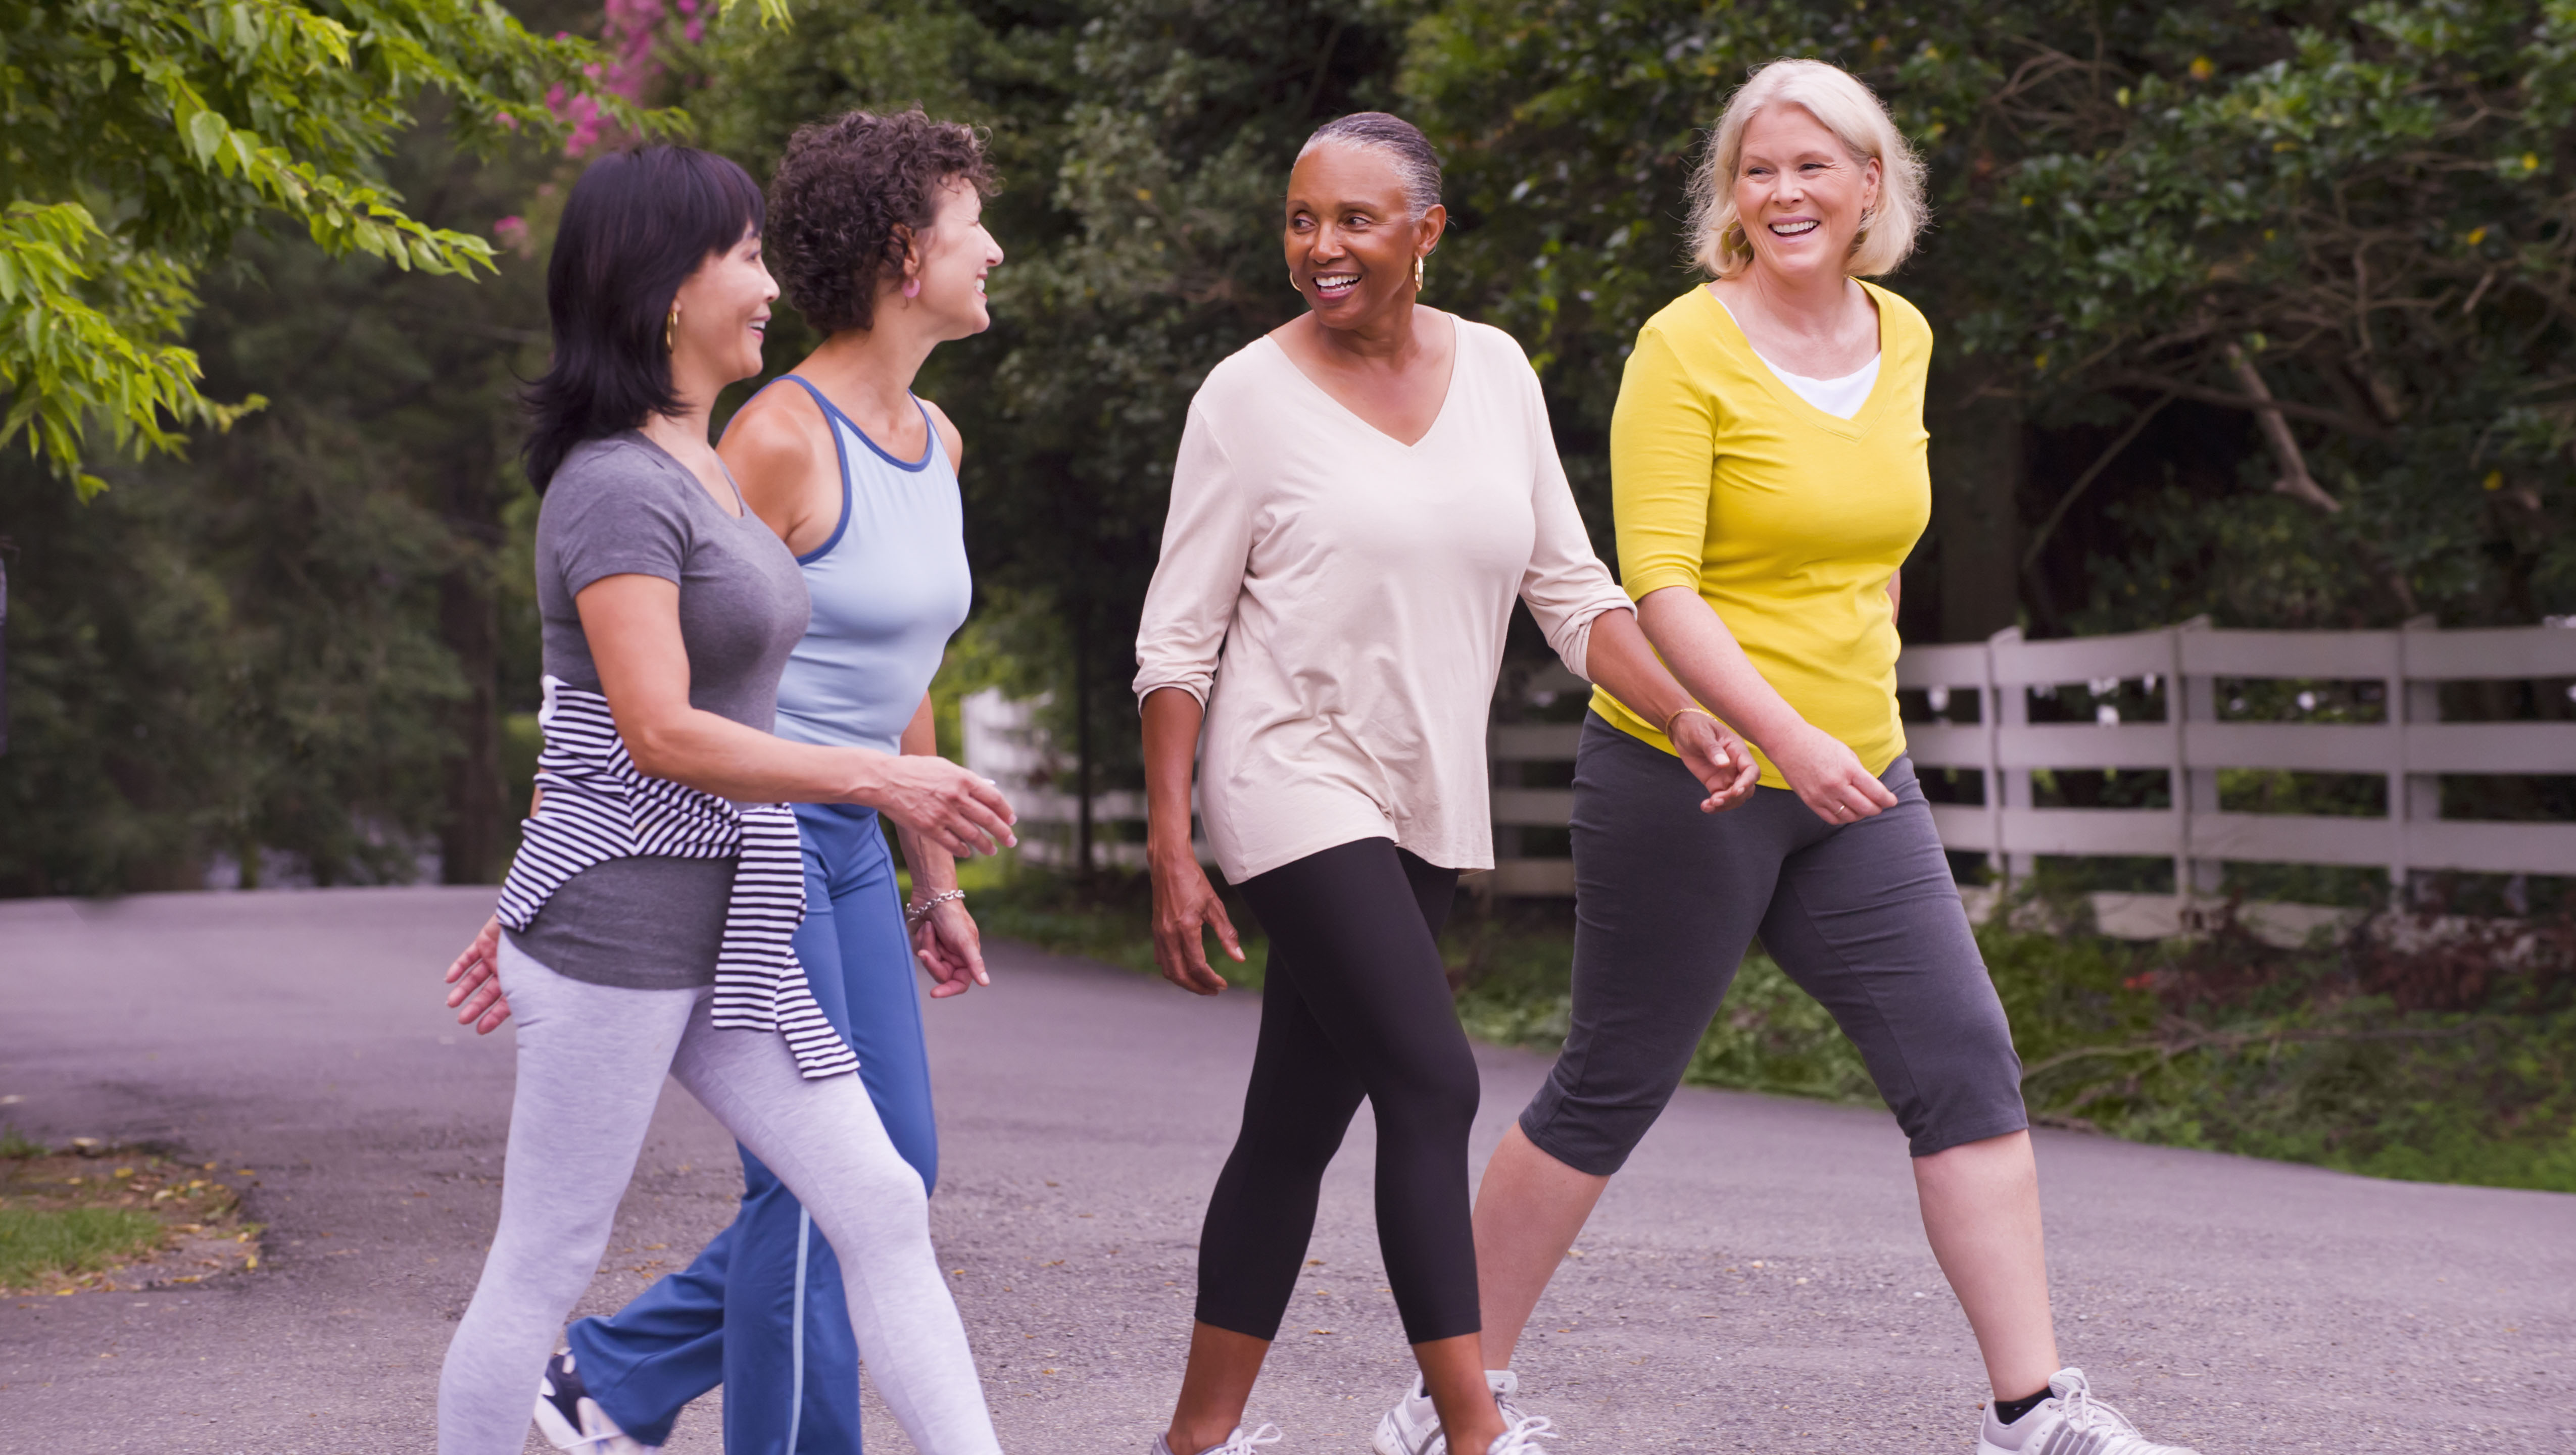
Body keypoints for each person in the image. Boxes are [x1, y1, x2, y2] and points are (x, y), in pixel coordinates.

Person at [1375, 60, 2200, 1455]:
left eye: (1815, 165)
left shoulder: (1906, 336)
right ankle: (1448, 1399)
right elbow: (1661, 586)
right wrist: (1784, 731)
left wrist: (1846, 680)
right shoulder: (1681, 347)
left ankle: (2033, 1413)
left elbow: (1871, 540)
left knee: (1965, 1066)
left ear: (1871, 183)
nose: (1786, 193)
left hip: (1857, 779)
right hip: (1689, 775)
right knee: (1611, 1078)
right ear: (1729, 199)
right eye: (1758, 171)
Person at [1131, 112, 1760, 1455]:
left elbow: (1571, 591)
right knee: (1430, 1082)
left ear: (1426, 231)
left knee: (1291, 1121)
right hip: (1283, 771)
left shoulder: (1495, 372)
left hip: (1418, 792)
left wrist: (1684, 713)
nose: (1321, 247)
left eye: (1355, 220)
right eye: (1301, 219)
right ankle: (1472, 1428)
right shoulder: (1244, 395)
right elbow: (1177, 642)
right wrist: (1172, 840)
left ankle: (1195, 1438)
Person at [432, 143, 1016, 1455]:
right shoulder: (609, 487)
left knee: (876, 1195)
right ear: (661, 290)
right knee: (544, 1254)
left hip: (734, 926)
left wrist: (907, 832)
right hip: (622, 930)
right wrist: (877, 773)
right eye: (741, 259)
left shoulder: (698, 465)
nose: (768, 285)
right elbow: (652, 728)